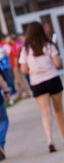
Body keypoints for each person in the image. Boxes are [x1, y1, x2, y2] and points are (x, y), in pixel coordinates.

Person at [19, 21, 64, 153]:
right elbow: (57, 63)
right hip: (52, 79)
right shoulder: (49, 45)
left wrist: (34, 68)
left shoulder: (26, 49)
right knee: (59, 111)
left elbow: (23, 69)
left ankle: (50, 140)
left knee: (45, 113)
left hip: (37, 83)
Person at [9, 34, 31, 99]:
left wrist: (15, 67)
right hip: (17, 65)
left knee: (21, 80)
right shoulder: (17, 45)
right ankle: (19, 93)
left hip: (17, 66)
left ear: (11, 39)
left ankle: (27, 92)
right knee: (17, 81)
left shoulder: (15, 46)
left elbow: (15, 57)